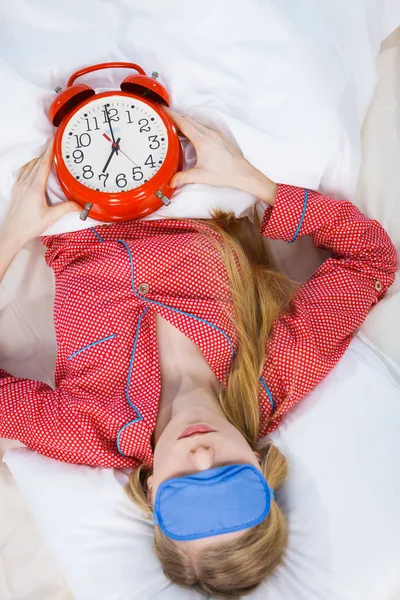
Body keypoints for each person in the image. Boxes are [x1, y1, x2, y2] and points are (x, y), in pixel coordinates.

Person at [0, 109, 397, 598]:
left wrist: (13, 233)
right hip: (195, 173)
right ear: (256, 462)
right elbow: (371, 260)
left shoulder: (88, 430)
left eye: (187, 483)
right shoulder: (280, 373)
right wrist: (250, 180)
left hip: (64, 192)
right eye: (230, 473)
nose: (203, 454)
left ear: (151, 490)